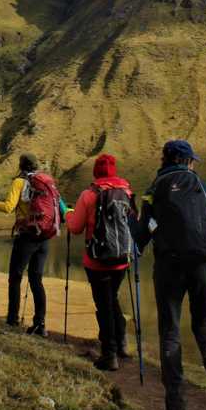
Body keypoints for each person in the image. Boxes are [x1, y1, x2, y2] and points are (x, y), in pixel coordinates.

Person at [136, 139, 206, 410]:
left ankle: (175, 406)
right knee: (205, 322)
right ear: (186, 161)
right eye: (192, 160)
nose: (194, 164)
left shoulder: (153, 190)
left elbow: (140, 236)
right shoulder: (204, 188)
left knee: (170, 332)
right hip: (205, 264)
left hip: (169, 266)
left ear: (165, 160)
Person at [66, 154, 136, 371]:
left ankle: (109, 354)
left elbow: (75, 227)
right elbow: (135, 223)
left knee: (104, 305)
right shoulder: (127, 192)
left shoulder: (88, 195)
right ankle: (122, 343)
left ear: (96, 172)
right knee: (111, 299)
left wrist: (68, 215)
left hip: (97, 261)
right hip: (122, 261)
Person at [0, 153, 66, 336]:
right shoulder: (46, 182)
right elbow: (62, 208)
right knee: (36, 280)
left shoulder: (19, 182)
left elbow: (9, 207)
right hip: (45, 237)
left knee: (15, 277)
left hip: (27, 236)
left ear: (21, 166)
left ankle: (12, 319)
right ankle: (40, 324)